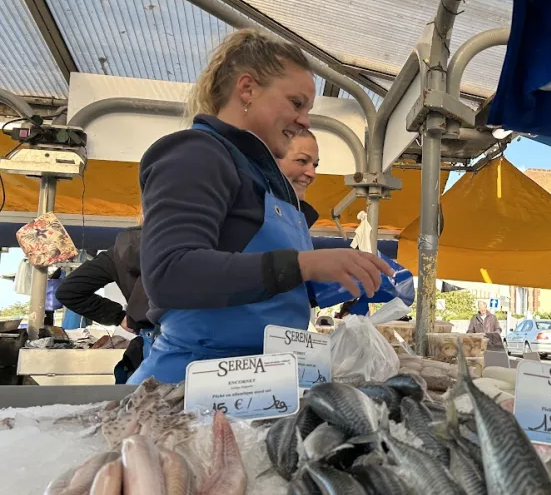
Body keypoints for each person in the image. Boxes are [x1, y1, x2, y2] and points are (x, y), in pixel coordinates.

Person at [131, 29, 392, 383]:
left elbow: (259, 284)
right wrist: (304, 264)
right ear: (248, 89)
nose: (305, 120)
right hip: (193, 387)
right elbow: (170, 272)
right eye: (296, 103)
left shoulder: (269, 180)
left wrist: (332, 279)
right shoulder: (196, 153)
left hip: (261, 381)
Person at [55, 225, 153, 383]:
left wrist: (119, 317)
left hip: (153, 340)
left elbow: (69, 291)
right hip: (197, 336)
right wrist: (118, 316)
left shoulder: (118, 252)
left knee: (149, 402)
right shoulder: (197, 245)